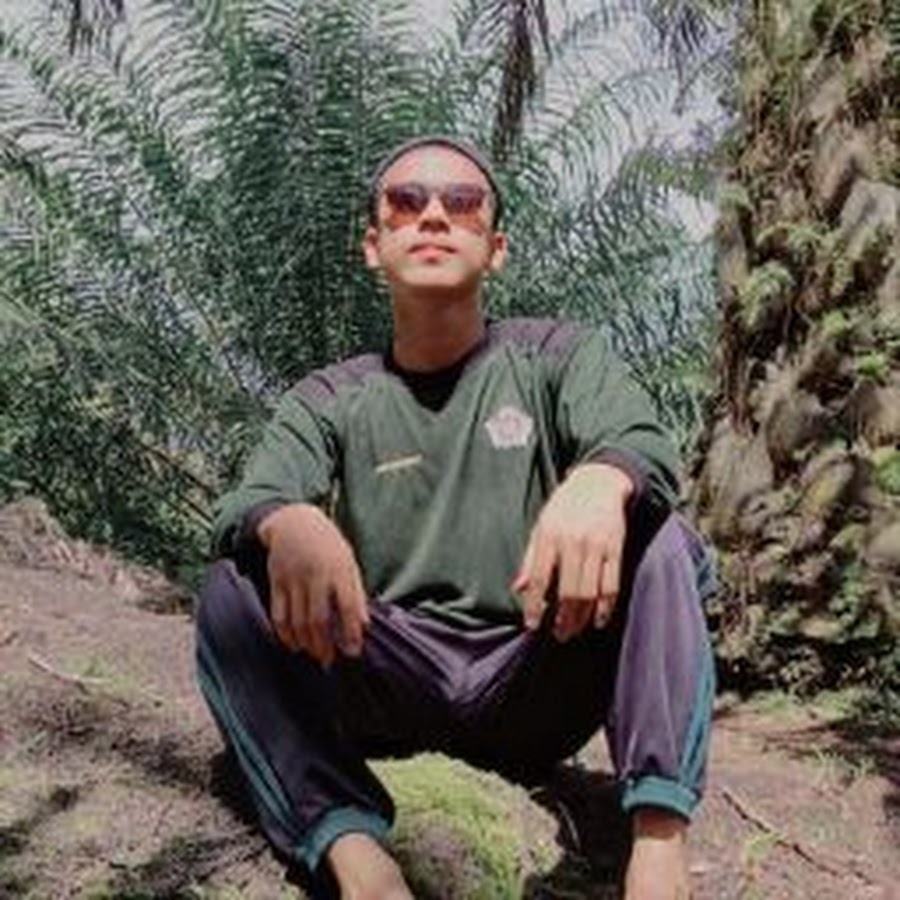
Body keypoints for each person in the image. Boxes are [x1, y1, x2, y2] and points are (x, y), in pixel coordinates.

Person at [196, 135, 715, 900]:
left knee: (661, 537)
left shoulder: (556, 356)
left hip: (534, 672)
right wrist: (289, 520)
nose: (434, 216)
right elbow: (245, 502)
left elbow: (641, 442)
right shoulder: (330, 398)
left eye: (462, 202)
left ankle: (660, 845)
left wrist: (601, 480)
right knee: (230, 585)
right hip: (385, 678)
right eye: (407, 202)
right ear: (373, 246)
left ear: (495, 248)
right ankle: (351, 849)